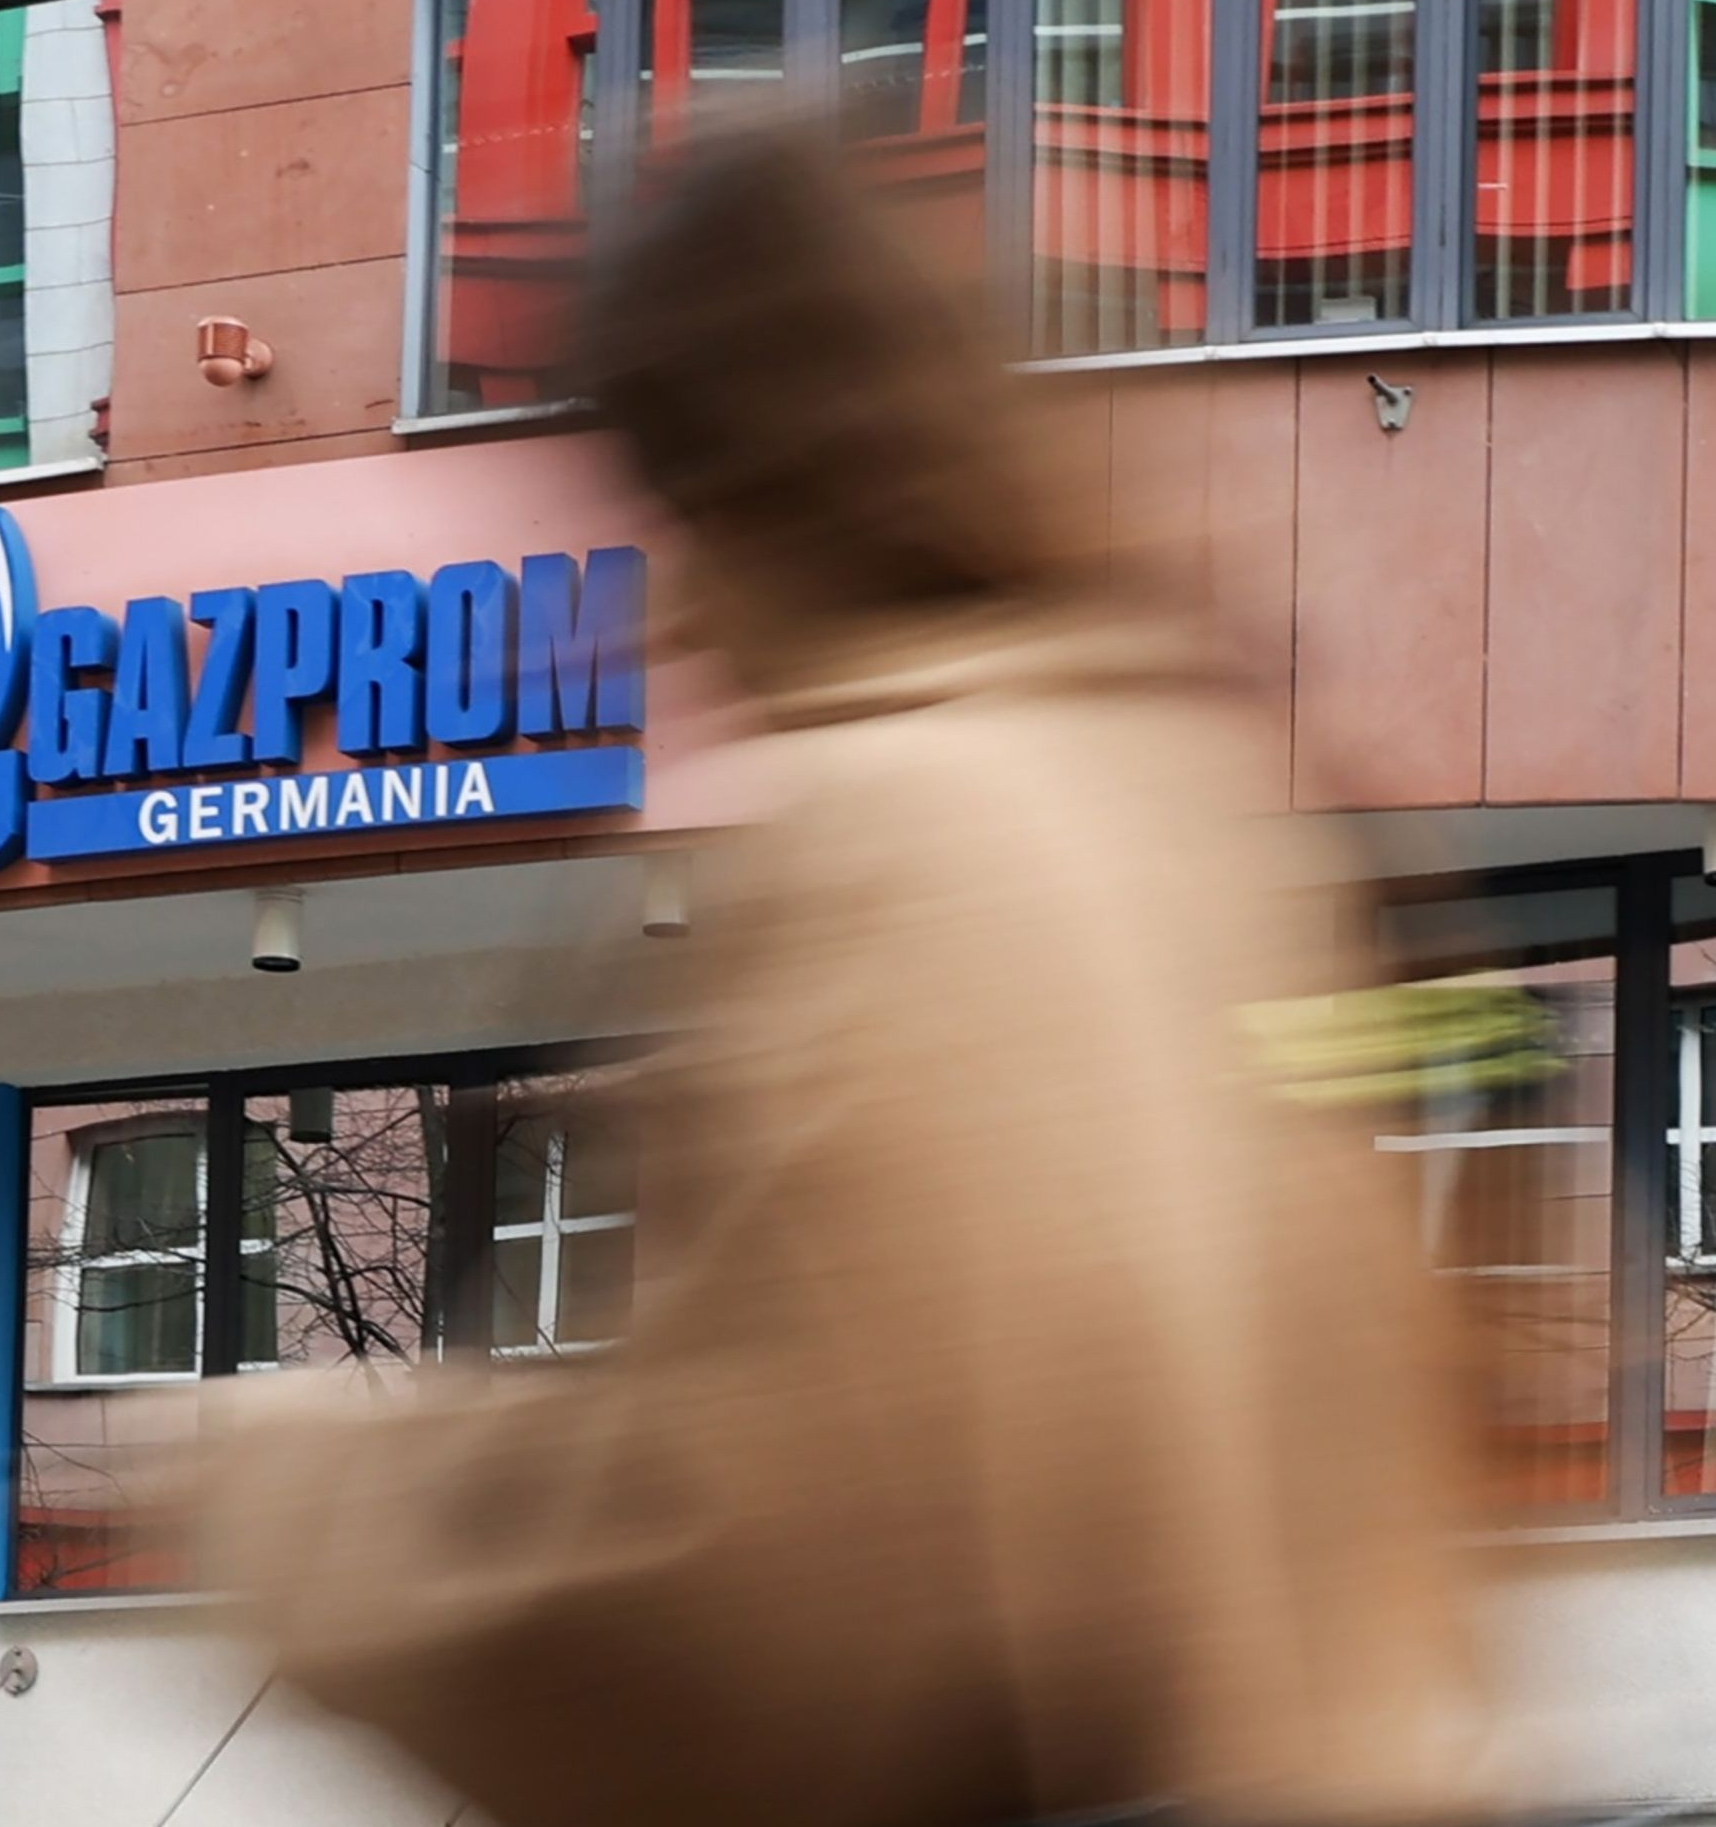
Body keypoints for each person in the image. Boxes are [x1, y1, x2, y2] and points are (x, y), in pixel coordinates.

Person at [195, 128, 1504, 1827]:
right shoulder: (1183, 784)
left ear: (732, 495)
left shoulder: (890, 840)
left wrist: (309, 1510)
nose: (654, 613)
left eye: (648, 511)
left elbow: (783, 1602)